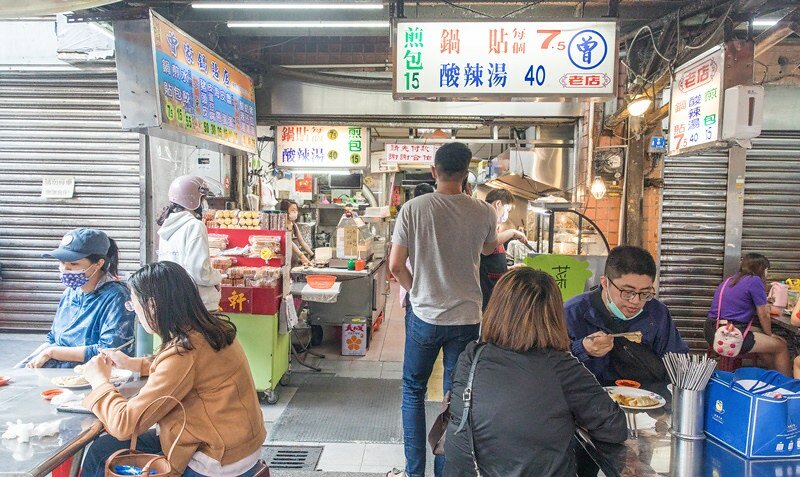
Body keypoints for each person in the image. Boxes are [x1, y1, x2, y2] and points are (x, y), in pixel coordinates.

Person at [80, 261, 266, 477]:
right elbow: (187, 371)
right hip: (239, 449)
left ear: (151, 306)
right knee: (103, 449)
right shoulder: (211, 331)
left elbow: (125, 425)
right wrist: (133, 364)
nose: (135, 315)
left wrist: (99, 382)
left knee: (101, 452)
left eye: (133, 305)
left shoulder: (184, 352)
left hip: (213, 461)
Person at [444, 268, 627, 477]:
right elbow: (614, 427)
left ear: (495, 309)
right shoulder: (561, 368)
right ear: (554, 317)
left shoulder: (470, 357)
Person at [388, 142, 498, 477]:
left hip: (424, 315)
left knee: (413, 391)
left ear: (433, 171)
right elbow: (490, 248)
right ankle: (444, 470)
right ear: (467, 173)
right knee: (453, 397)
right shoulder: (484, 212)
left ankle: (413, 471)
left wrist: (418, 289)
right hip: (466, 318)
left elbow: (396, 266)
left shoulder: (414, 208)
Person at [564, 245, 689, 387]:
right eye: (628, 292)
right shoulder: (572, 312)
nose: (636, 301)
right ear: (605, 283)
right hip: (586, 401)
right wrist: (582, 349)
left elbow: (677, 362)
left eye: (645, 292)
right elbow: (548, 365)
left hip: (647, 400)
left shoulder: (657, 313)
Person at [17, 229, 134, 368]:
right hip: (55, 369)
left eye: (74, 264)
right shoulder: (70, 293)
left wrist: (52, 352)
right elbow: (53, 337)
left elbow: (111, 350)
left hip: (91, 372)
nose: (65, 269)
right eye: (62, 263)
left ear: (98, 263)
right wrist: (26, 364)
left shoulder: (117, 296)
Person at [704, 253, 792, 376]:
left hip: (712, 330)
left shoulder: (730, 280)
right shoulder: (755, 280)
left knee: (767, 347)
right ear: (762, 268)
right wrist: (770, 335)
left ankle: (773, 377)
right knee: (781, 346)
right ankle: (789, 387)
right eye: (767, 270)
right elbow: (764, 315)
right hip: (731, 334)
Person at [157, 175, 222, 311]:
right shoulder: (194, 226)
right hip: (197, 304)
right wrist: (217, 276)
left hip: (174, 301)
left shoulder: (166, 227)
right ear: (194, 200)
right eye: (202, 199)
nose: (204, 204)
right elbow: (199, 271)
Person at [479, 189, 527, 310]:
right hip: (485, 287)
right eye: (507, 210)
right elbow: (487, 247)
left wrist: (508, 268)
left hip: (493, 286)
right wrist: (511, 232)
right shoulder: (484, 218)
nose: (506, 215)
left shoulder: (491, 221)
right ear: (498, 204)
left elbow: (492, 258)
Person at [398, 183, 435, 309]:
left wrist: (413, 291)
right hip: (433, 285)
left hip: (412, 281)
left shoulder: (408, 212)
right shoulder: (439, 215)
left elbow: (396, 266)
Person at [278, 199, 314, 267]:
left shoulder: (294, 225)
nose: (295, 212)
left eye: (296, 210)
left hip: (293, 260)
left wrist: (312, 254)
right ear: (285, 211)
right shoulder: (281, 225)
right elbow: (289, 241)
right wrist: (302, 256)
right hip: (283, 261)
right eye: (292, 210)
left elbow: (302, 242)